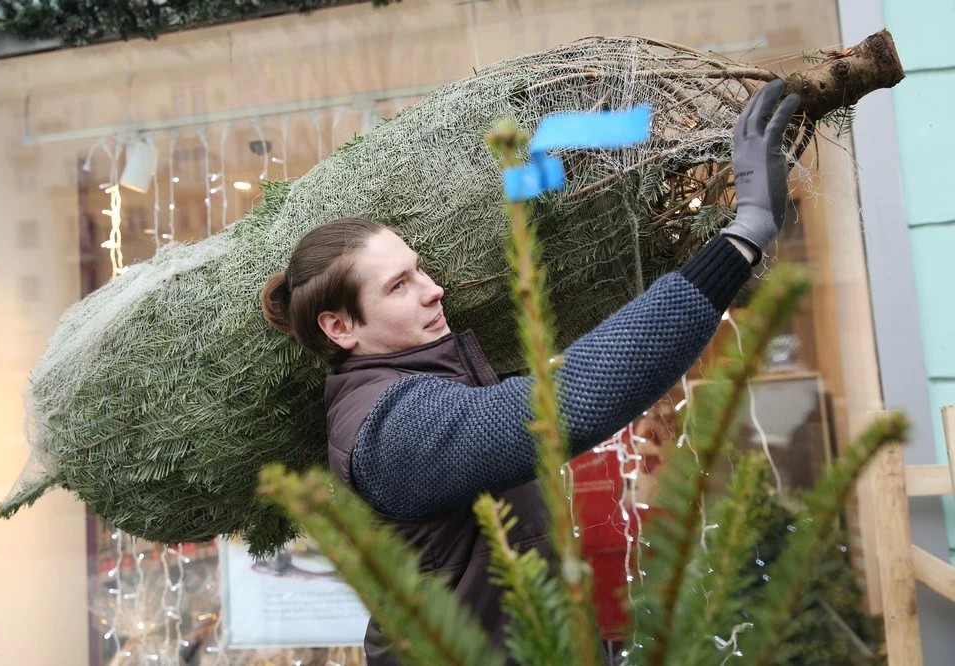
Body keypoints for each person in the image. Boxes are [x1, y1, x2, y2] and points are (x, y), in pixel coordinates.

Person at [261, 80, 801, 665]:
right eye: (399, 286)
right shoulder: (391, 429)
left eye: (419, 270)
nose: (433, 290)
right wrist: (741, 239)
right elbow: (568, 403)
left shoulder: (434, 385)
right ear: (341, 328)